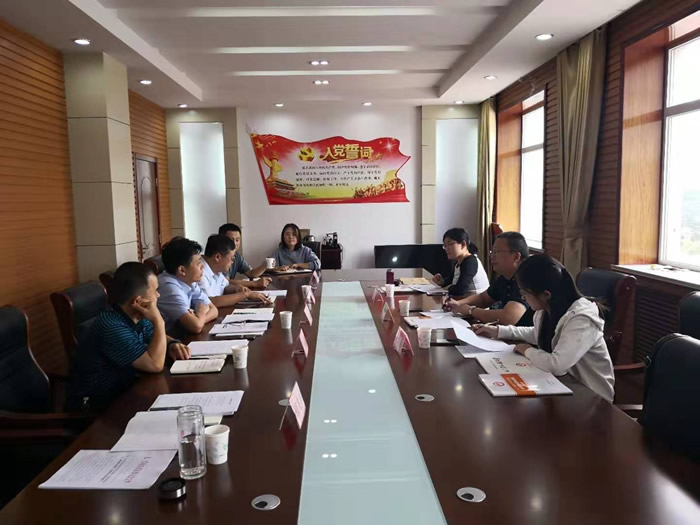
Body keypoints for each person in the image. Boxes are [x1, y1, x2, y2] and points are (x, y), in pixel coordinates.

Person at [474, 254, 615, 402]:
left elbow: (557, 365)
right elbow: (536, 333)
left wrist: (527, 350)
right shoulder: (546, 308)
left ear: (546, 294)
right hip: (559, 386)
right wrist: (498, 331)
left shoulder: (582, 318)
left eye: (524, 294)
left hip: (591, 398)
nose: (523, 298)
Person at [66, 262, 191, 411]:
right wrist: (159, 321)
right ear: (137, 301)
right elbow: (154, 365)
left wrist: (172, 343)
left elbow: (156, 337)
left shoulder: (136, 316)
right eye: (155, 291)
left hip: (125, 393)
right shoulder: (111, 325)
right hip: (95, 408)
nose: (158, 295)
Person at [446, 231, 533, 326]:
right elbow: (483, 298)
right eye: (492, 252)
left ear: (516, 256)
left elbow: (510, 317)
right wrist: (458, 304)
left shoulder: (526, 277)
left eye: (496, 252)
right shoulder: (505, 277)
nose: (492, 256)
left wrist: (472, 311)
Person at [157, 236, 218, 335]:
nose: (202, 266)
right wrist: (201, 313)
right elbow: (196, 326)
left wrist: (199, 319)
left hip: (185, 335)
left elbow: (214, 310)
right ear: (182, 270)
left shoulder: (189, 280)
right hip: (170, 340)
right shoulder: (169, 287)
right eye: (198, 263)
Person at [200, 234, 272, 308]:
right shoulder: (200, 271)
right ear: (217, 257)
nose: (233, 261)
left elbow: (225, 286)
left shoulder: (215, 268)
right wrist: (245, 295)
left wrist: (237, 288)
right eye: (231, 258)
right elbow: (211, 302)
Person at [432, 228, 489, 299]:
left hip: (477, 304)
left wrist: (447, 289)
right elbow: (452, 280)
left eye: (449, 244)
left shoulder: (470, 262)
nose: (446, 248)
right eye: (445, 246)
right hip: (464, 301)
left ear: (463, 244)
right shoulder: (459, 261)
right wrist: (442, 282)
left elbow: (461, 290)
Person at [218, 223, 271, 289]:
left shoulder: (236, 255)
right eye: (231, 240)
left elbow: (250, 273)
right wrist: (255, 283)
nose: (234, 243)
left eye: (237, 240)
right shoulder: (220, 257)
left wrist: (265, 265)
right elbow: (225, 282)